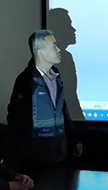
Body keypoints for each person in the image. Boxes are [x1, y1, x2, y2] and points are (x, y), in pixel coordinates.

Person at [7, 29, 83, 172]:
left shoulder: (56, 75)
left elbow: (62, 108)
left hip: (59, 151)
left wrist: (73, 139)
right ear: (41, 52)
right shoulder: (26, 80)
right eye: (53, 46)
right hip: (35, 157)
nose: (58, 49)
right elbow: (15, 116)